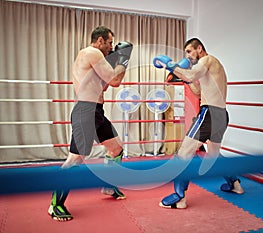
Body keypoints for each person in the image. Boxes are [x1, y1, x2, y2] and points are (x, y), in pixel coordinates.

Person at [48, 26, 133, 221]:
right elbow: (115, 81)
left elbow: (104, 85)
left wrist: (115, 61)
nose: (111, 46)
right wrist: (124, 58)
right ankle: (55, 204)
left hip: (97, 112)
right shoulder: (92, 52)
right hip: (86, 112)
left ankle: (108, 185)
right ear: (100, 40)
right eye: (110, 42)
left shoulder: (95, 59)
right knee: (75, 159)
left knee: (116, 149)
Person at [153, 38, 244, 209]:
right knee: (214, 155)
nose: (187, 56)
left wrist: (170, 64)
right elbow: (198, 91)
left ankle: (179, 197)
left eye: (189, 51)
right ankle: (235, 184)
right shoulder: (210, 68)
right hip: (221, 115)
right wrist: (185, 79)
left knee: (183, 154)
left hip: (209, 114)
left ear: (199, 49)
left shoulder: (207, 60)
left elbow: (190, 74)